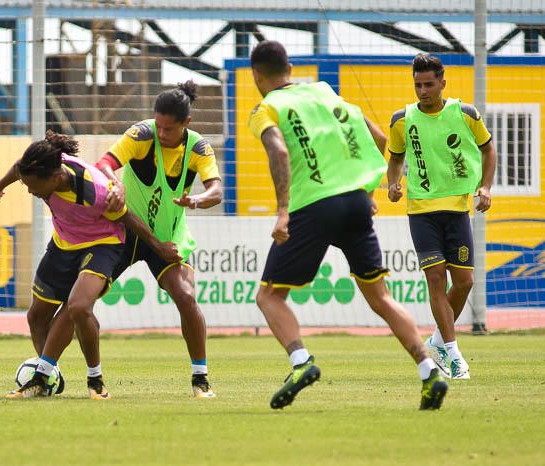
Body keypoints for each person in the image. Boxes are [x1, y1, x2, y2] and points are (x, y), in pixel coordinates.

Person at [248, 40, 448, 410]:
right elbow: (382, 138)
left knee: (269, 296)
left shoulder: (266, 108)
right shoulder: (326, 93)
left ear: (256, 75)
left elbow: (277, 151)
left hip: (312, 206)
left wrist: (282, 210)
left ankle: (301, 363)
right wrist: (368, 189)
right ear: (289, 67)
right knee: (381, 297)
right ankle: (428, 370)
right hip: (356, 202)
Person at [0, 131, 179, 399]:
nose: (30, 190)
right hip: (65, 243)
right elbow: (19, 169)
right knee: (36, 316)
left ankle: (93, 380)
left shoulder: (94, 190)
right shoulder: (38, 167)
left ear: (55, 179)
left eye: (33, 187)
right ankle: (50, 377)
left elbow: (127, 218)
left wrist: (158, 246)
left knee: (77, 305)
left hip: (103, 244)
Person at [95, 80, 222, 398]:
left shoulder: (197, 148)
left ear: (187, 124)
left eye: (169, 129)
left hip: (166, 239)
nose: (161, 133)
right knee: (81, 300)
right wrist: (116, 183)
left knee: (186, 297)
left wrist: (196, 200)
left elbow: (216, 190)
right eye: (158, 125)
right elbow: (104, 164)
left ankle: (200, 377)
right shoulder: (141, 134)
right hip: (123, 231)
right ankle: (48, 370)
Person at [387, 53, 497, 379]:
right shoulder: (401, 120)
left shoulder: (465, 114)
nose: (423, 91)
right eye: (418, 85)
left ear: (443, 83)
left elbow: (488, 148)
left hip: (458, 209)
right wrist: (394, 183)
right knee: (436, 278)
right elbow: (394, 158)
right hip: (421, 211)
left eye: (429, 84)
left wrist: (486, 187)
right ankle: (453, 354)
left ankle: (436, 341)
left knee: (464, 282)